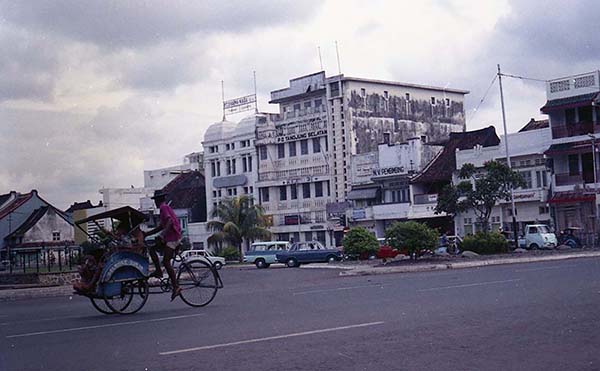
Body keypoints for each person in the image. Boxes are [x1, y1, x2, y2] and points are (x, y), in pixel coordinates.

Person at [145, 190, 182, 301]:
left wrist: (162, 235)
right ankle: (159, 271)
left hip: (173, 238)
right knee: (152, 249)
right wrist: (147, 234)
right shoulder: (164, 208)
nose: (155, 202)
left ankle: (176, 286)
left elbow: (170, 222)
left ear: (158, 200)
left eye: (156, 200)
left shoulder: (163, 208)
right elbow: (161, 226)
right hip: (169, 237)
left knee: (166, 261)